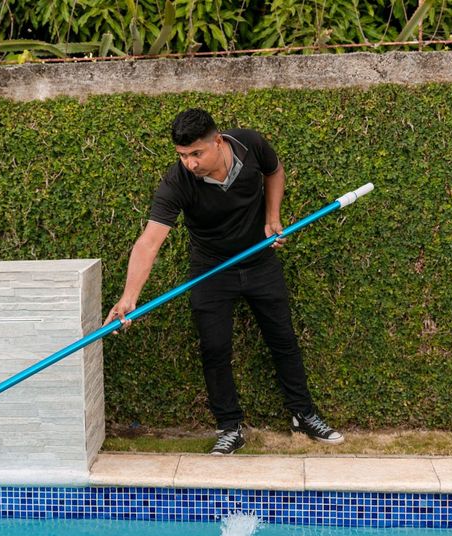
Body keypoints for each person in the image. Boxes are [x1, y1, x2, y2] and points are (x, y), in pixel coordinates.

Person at [105, 108, 344, 455]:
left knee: (283, 339)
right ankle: (229, 427)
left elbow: (274, 171)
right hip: (211, 270)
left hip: (260, 260)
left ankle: (302, 414)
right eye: (183, 156)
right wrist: (129, 297)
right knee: (214, 349)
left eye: (196, 154)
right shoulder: (178, 182)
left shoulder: (249, 144)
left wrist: (272, 218)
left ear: (217, 142)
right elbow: (149, 242)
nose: (190, 163)